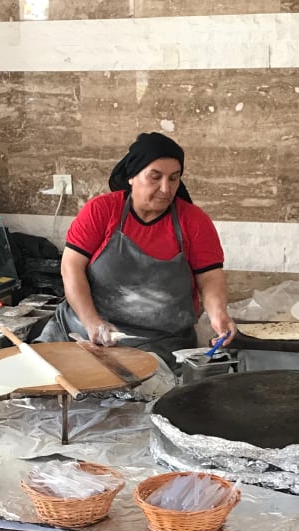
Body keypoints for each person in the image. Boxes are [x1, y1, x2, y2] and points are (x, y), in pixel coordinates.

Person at [37, 132, 236, 369]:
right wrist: (92, 322)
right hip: (82, 334)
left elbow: (210, 278)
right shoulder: (101, 210)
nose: (166, 188)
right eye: (155, 177)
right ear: (132, 176)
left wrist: (218, 314)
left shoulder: (194, 221)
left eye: (174, 178)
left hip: (161, 345)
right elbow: (71, 267)